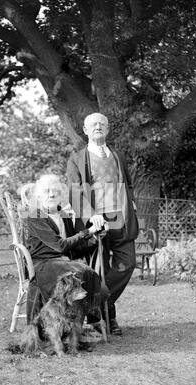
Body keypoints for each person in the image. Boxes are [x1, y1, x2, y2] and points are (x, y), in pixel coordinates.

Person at [67, 112, 139, 335]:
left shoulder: (118, 155)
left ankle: (95, 306)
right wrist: (90, 215)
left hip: (121, 219)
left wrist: (132, 204)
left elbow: (128, 184)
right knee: (99, 269)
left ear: (107, 130)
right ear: (85, 130)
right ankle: (110, 319)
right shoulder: (76, 158)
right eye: (93, 124)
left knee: (127, 264)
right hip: (96, 222)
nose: (98, 127)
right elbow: (74, 190)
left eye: (102, 124)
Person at [25, 174, 104, 330]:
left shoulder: (63, 215)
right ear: (39, 196)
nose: (52, 194)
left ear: (61, 195)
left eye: (55, 191)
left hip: (62, 262)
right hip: (42, 263)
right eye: (47, 191)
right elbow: (60, 246)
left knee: (88, 273)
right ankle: (71, 328)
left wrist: (95, 236)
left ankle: (82, 324)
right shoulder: (36, 216)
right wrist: (87, 231)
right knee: (78, 274)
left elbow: (72, 248)